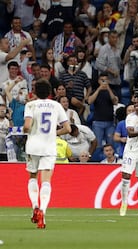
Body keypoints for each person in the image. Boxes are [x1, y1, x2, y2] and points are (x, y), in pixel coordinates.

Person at [24, 79, 71, 229]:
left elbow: (27, 126)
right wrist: (54, 132)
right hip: (49, 147)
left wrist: (26, 130)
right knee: (46, 181)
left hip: (33, 147)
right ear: (50, 92)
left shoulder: (30, 104)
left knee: (33, 176)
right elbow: (68, 129)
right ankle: (43, 210)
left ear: (35, 92)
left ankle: (35, 206)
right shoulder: (57, 105)